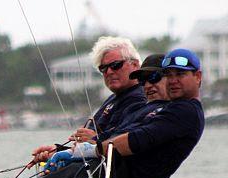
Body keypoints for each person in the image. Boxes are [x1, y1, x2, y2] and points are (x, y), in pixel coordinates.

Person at [2, 49, 204, 178]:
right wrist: (63, 151)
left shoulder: (183, 111)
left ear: (198, 77)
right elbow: (118, 134)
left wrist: (87, 150)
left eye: (180, 74)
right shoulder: (166, 108)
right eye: (169, 75)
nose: (148, 85)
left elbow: (134, 140)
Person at [29, 36, 146, 167]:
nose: (109, 72)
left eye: (115, 65)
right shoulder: (115, 98)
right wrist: (57, 151)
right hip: (87, 169)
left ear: (135, 65)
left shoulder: (140, 99)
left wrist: (95, 139)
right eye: (103, 68)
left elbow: (127, 141)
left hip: (109, 175)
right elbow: (86, 146)